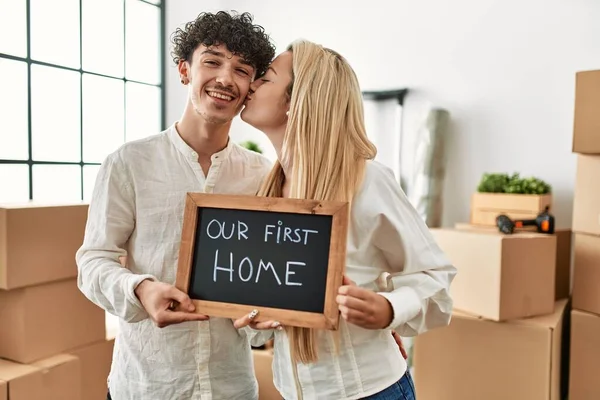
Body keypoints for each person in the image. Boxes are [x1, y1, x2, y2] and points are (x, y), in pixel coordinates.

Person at [235, 40, 457, 400]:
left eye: (267, 77)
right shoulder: (267, 191)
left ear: (296, 101)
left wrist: (388, 309)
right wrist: (261, 316)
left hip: (369, 392)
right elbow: (274, 307)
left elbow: (438, 282)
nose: (253, 83)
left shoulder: (367, 181)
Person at [75, 11, 276, 400]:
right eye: (212, 61)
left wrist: (265, 314)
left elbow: (264, 282)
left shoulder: (262, 175)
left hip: (230, 387)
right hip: (147, 386)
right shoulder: (128, 163)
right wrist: (140, 290)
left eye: (241, 69)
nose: (225, 79)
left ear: (251, 87)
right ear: (185, 70)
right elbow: (92, 262)